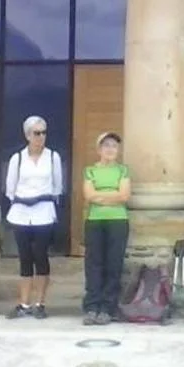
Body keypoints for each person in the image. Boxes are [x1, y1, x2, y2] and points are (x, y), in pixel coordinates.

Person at [4, 115, 64, 320]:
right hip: (21, 213)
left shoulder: (53, 157)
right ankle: (24, 303)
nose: (41, 137)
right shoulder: (18, 158)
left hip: (43, 212)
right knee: (25, 257)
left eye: (43, 133)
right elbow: (10, 188)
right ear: (28, 135)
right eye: (37, 133)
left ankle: (40, 303)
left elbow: (57, 186)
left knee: (41, 256)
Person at [81, 131, 131, 326]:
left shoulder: (123, 170)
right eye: (106, 145)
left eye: (114, 146)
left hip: (118, 221)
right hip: (95, 220)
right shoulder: (90, 171)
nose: (110, 149)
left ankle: (108, 308)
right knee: (93, 264)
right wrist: (112, 195)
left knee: (113, 264)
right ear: (99, 149)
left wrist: (101, 197)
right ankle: (92, 306)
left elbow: (124, 195)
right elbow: (89, 195)